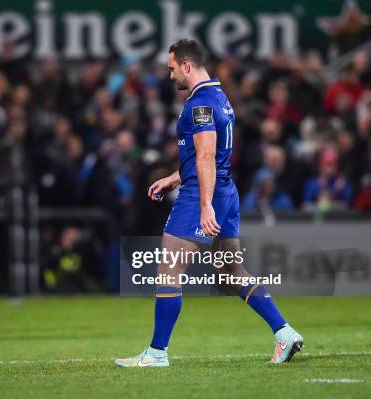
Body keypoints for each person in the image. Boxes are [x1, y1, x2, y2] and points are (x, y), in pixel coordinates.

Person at [115, 39, 303, 367]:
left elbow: (205, 155)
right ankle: (284, 332)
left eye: (172, 68)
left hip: (203, 195)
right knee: (230, 271)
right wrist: (174, 177)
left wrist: (204, 205)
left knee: (168, 270)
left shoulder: (199, 104)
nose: (169, 74)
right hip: (226, 192)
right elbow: (210, 154)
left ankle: (157, 353)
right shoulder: (220, 98)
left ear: (187, 66)